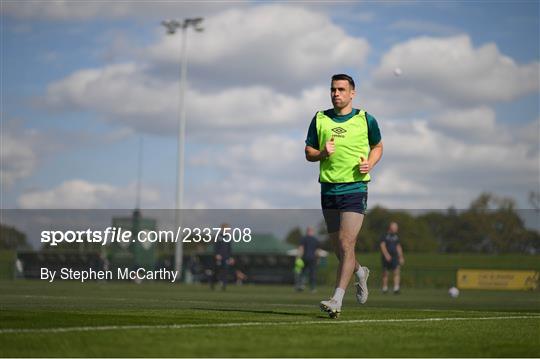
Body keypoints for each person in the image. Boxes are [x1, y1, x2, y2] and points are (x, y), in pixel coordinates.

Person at [305, 74, 383, 318]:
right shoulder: (319, 118)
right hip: (328, 189)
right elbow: (308, 152)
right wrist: (322, 153)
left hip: (355, 189)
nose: (336, 93)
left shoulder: (365, 119)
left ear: (352, 93)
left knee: (347, 243)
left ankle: (336, 299)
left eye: (341, 89)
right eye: (332, 89)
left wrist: (370, 164)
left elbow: (378, 146)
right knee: (339, 249)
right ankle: (360, 272)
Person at [380, 221, 405, 294]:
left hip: (395, 256)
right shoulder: (384, 235)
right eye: (395, 227)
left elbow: (398, 247)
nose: (396, 229)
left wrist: (401, 257)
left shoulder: (396, 236)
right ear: (391, 227)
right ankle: (385, 288)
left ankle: (396, 288)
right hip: (386, 257)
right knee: (385, 273)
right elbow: (382, 245)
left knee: (396, 271)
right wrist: (386, 255)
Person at [211, 223, 235, 290]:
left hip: (226, 257)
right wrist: (217, 254)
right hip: (219, 257)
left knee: (225, 271)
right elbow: (215, 247)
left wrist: (231, 257)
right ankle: (213, 283)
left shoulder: (228, 237)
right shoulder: (218, 236)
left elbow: (229, 248)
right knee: (217, 271)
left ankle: (224, 285)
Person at [296, 226, 319, 292]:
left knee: (303, 272)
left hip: (305, 258)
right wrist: (318, 259)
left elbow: (301, 248)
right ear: (312, 232)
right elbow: (317, 251)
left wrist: (298, 257)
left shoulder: (304, 238)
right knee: (313, 273)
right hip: (313, 258)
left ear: (307, 231)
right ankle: (313, 288)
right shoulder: (315, 240)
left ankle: (302, 285)